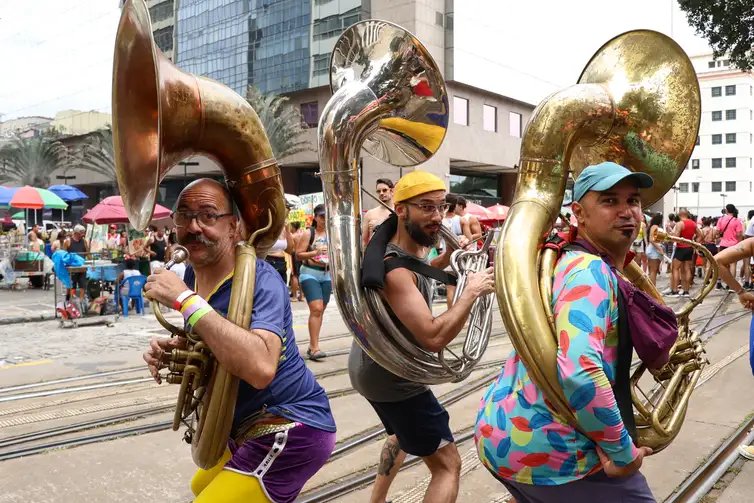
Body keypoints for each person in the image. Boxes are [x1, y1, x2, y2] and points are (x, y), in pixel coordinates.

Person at [142, 178, 336, 503]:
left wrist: (185, 300)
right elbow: (216, 338)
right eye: (184, 216)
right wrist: (179, 351)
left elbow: (260, 368)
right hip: (245, 425)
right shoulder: (191, 274)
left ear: (233, 226)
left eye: (207, 215)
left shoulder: (262, 279)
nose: (193, 227)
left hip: (289, 427)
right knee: (199, 487)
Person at [476, 162, 657, 502]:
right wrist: (622, 453)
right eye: (609, 201)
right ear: (579, 214)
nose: (627, 212)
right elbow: (580, 371)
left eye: (633, 200)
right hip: (554, 451)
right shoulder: (589, 270)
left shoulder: (562, 259)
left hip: (504, 432)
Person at [350, 170, 492, 503]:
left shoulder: (404, 252)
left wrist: (445, 261)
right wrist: (470, 291)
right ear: (401, 210)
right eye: (426, 207)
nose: (437, 217)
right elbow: (433, 337)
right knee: (447, 466)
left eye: (441, 207)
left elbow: (419, 269)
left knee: (401, 433)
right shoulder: (395, 270)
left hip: (372, 370)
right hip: (393, 377)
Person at [295, 204, 331, 361]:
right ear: (316, 217)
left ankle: (312, 345)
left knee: (320, 310)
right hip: (310, 274)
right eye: (322, 216)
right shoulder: (309, 233)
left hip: (327, 274)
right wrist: (315, 252)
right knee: (316, 308)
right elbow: (298, 254)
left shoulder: (332, 232)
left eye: (326, 216)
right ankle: (315, 348)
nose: (324, 219)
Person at [664, 208, 700, 298]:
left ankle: (675, 290)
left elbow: (676, 237)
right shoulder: (693, 223)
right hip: (689, 248)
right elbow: (700, 235)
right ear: (687, 214)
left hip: (680, 248)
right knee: (686, 269)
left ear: (679, 215)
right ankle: (686, 291)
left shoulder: (680, 224)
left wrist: (670, 233)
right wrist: (694, 244)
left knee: (675, 269)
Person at [441, 194, 466, 309]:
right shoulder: (461, 220)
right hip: (460, 258)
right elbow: (469, 239)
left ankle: (450, 312)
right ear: (456, 205)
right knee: (461, 287)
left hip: (446, 257)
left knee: (450, 288)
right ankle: (458, 315)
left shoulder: (441, 220)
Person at [265, 205, 296, 284]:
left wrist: (288, 231)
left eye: (287, 215)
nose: (286, 216)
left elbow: (290, 250)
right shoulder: (266, 226)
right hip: (268, 262)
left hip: (281, 263)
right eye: (284, 214)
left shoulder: (284, 228)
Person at [716, 204, 744, 290]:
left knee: (721, 264)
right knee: (733, 264)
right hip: (733, 245)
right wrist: (739, 243)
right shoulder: (737, 221)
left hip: (723, 244)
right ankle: (731, 285)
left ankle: (719, 283)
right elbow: (739, 234)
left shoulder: (721, 219)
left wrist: (720, 237)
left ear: (727, 210)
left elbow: (717, 232)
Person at [362, 178, 395, 246]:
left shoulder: (399, 212)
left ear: (392, 191)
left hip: (394, 253)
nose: (381, 193)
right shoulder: (370, 214)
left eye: (384, 190)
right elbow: (364, 241)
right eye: (378, 191)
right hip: (375, 252)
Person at [65, 224, 90, 301]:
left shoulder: (84, 241)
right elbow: (64, 254)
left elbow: (87, 253)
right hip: (72, 268)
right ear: (76, 233)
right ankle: (70, 299)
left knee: (82, 285)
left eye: (83, 233)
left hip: (82, 267)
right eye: (81, 233)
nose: (83, 235)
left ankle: (81, 301)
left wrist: (91, 262)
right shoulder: (68, 241)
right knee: (72, 285)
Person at [646, 213, 665, 285]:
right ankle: (652, 290)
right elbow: (651, 239)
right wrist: (659, 248)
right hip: (654, 249)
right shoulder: (655, 227)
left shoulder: (653, 226)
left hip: (653, 249)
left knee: (652, 271)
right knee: (653, 271)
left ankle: (652, 289)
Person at [288, 222, 304, 302]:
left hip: (295, 255)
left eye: (291, 227)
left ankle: (294, 296)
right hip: (302, 255)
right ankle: (302, 296)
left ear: (294, 227)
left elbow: (290, 248)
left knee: (294, 275)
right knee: (301, 275)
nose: (290, 228)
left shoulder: (292, 236)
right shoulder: (302, 235)